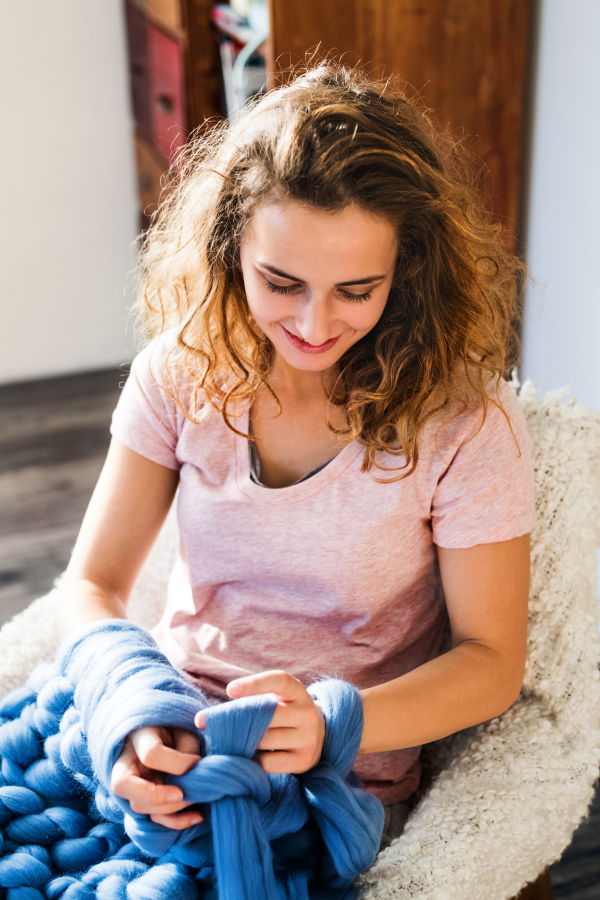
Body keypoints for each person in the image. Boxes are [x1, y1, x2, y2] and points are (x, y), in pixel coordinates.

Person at [56, 64, 535, 848]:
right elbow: (91, 585)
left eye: (356, 289)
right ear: (229, 249)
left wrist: (336, 723)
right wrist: (133, 709)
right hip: (170, 734)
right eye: (281, 282)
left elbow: (491, 661)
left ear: (407, 274)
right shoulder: (180, 372)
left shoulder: (465, 421)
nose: (314, 325)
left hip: (336, 785)